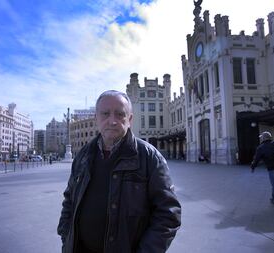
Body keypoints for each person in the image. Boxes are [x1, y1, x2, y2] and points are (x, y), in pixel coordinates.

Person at [57, 90, 181, 253]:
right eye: (105, 114)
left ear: (129, 119)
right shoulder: (83, 155)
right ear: (96, 118)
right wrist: (66, 235)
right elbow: (69, 200)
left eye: (120, 114)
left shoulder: (149, 157)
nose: (112, 121)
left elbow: (168, 214)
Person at [251, 131, 274, 210]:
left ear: (263, 138)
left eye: (261, 137)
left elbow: (256, 159)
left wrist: (253, 167)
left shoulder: (261, 147)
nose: (261, 139)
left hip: (273, 169)